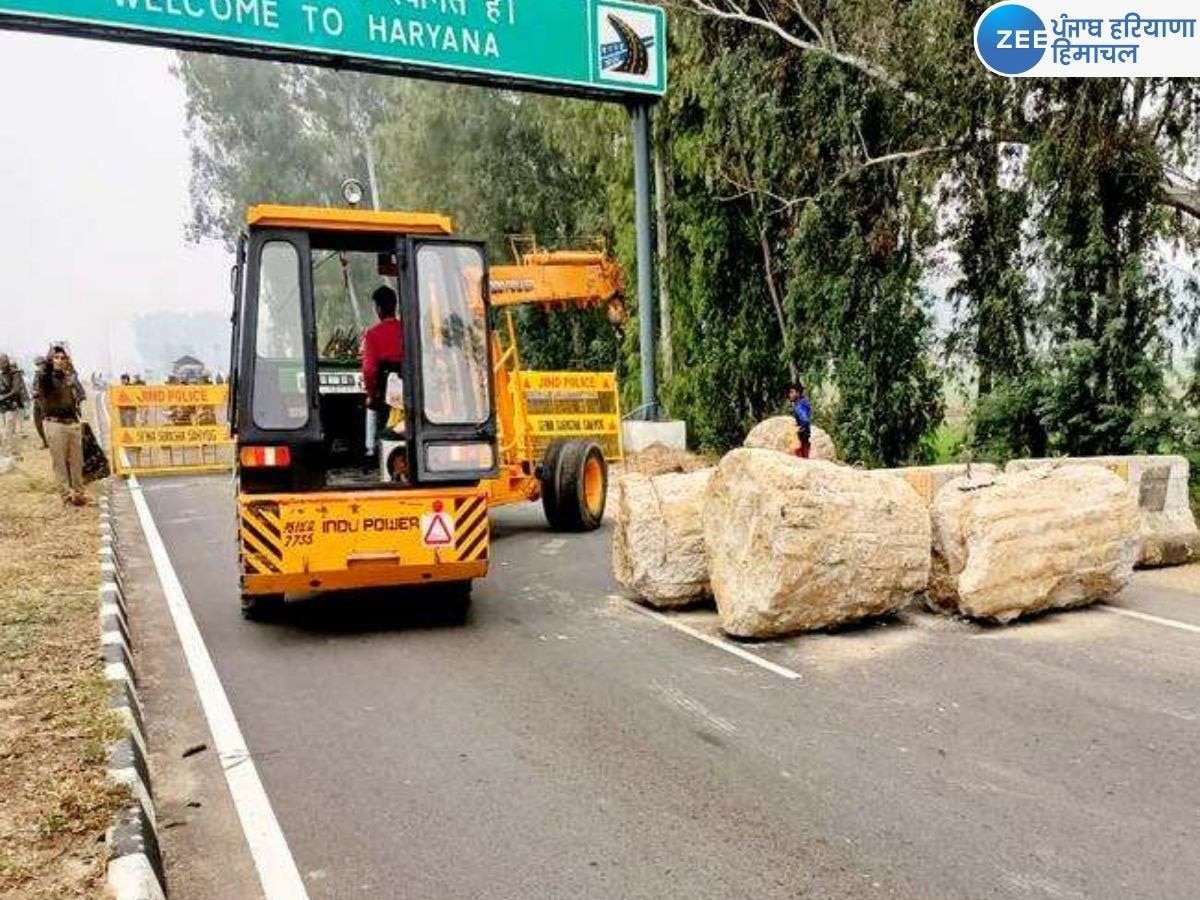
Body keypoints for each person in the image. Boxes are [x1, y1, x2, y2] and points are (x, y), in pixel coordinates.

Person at [39, 345, 88, 505]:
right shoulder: (45, 377)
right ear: (51, 360)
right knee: (59, 462)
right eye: (56, 358)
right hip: (54, 424)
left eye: (62, 358)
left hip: (72, 423)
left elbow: (81, 396)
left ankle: (79, 493)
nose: (59, 361)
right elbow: (45, 382)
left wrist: (72, 381)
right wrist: (49, 363)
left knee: (77, 461)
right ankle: (66, 495)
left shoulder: (71, 378)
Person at [361, 285, 404, 409]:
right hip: (409, 396)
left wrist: (371, 396)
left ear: (378, 309)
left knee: (370, 412)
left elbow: (369, 371)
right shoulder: (408, 331)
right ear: (395, 307)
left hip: (386, 400)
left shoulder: (372, 335)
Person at [0, 355, 25, 457]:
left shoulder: (15, 373)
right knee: (3, 431)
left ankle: (11, 452)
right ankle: (8, 451)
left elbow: (16, 390)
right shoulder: (1, 374)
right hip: (2, 406)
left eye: (3, 363)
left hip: (11, 405)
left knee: (9, 431)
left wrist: (3, 397)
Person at [787, 382, 812, 459]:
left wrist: (798, 430)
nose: (789, 395)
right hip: (805, 436)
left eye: (792, 392)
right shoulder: (803, 402)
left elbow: (805, 420)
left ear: (798, 393)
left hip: (801, 437)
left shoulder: (799, 405)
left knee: (800, 459)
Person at [30, 356, 48, 449]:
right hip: (37, 402)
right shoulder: (37, 374)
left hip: (46, 403)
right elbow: (34, 386)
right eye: (37, 365)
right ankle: (44, 441)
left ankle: (50, 442)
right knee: (37, 423)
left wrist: (39, 392)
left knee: (49, 424)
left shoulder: (48, 374)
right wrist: (33, 391)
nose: (39, 366)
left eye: (40, 364)